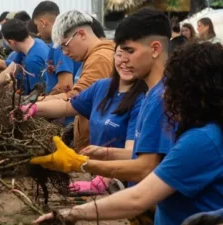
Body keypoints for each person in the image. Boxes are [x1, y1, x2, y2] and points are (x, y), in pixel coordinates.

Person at [32, 41, 223, 225]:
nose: (165, 93)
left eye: (171, 85)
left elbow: (138, 198)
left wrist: (72, 211)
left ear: (194, 91)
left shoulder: (202, 140)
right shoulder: (207, 129)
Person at [29, 7, 174, 224]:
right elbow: (70, 105)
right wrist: (32, 108)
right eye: (119, 52)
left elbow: (144, 168)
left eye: (129, 51)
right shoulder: (149, 94)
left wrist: (82, 164)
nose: (122, 59)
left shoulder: (159, 99)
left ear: (155, 49)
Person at [21, 45, 147, 194]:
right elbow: (68, 107)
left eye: (131, 55)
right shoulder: (103, 86)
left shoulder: (144, 99)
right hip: (96, 171)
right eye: (119, 55)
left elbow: (132, 155)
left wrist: (104, 179)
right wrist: (34, 108)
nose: (124, 62)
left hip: (125, 183)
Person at [33, 10, 115, 150]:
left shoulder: (99, 59)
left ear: (82, 34)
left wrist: (34, 105)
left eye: (65, 45)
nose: (64, 53)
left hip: (99, 147)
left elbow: (77, 99)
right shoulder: (91, 57)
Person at [0, 19, 49, 95]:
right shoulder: (34, 43)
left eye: (6, 42)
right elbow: (10, 69)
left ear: (12, 42)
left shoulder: (33, 61)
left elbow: (38, 93)